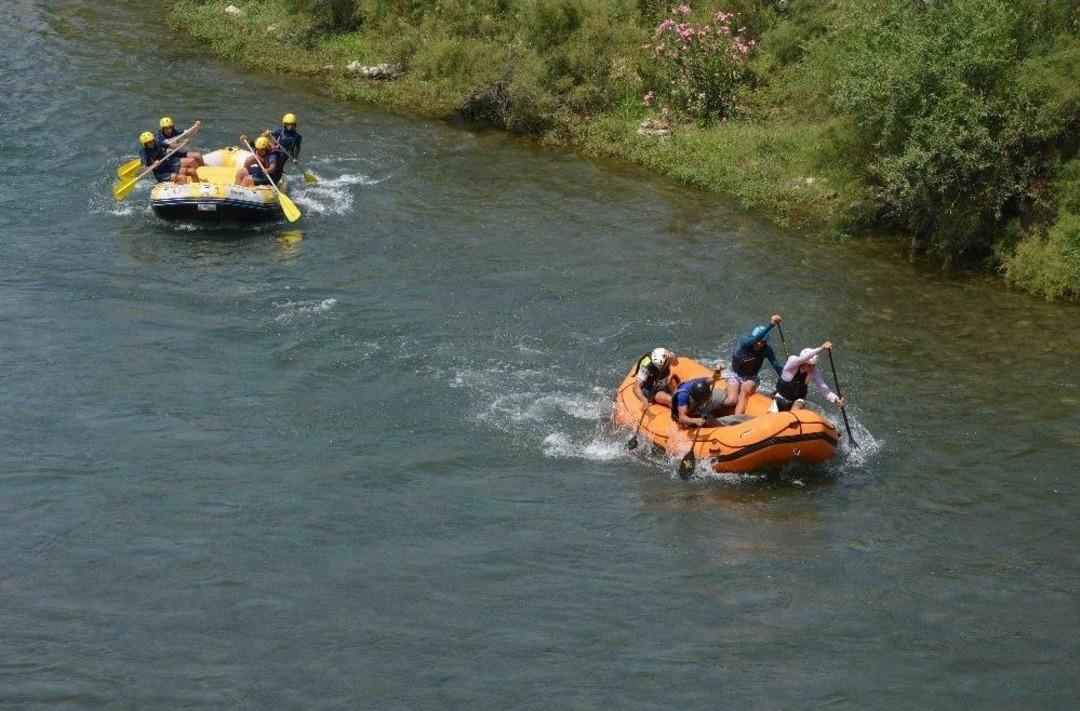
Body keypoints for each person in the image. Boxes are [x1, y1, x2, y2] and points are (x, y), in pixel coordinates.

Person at [723, 314, 784, 415]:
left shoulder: (767, 349)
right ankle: (712, 406)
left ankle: (736, 418)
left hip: (751, 378)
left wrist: (786, 380)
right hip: (736, 375)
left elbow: (776, 366)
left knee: (744, 391)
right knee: (732, 400)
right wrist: (771, 325)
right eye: (757, 341)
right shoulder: (744, 342)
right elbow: (754, 340)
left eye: (762, 342)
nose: (759, 344)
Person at [770, 342, 846, 413]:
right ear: (803, 362)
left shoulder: (814, 372)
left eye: (814, 365)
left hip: (797, 400)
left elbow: (822, 387)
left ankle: (794, 415)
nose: (812, 367)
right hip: (780, 396)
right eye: (809, 365)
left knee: (796, 408)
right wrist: (821, 348)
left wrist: (836, 399)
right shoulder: (792, 362)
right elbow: (803, 358)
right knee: (771, 414)